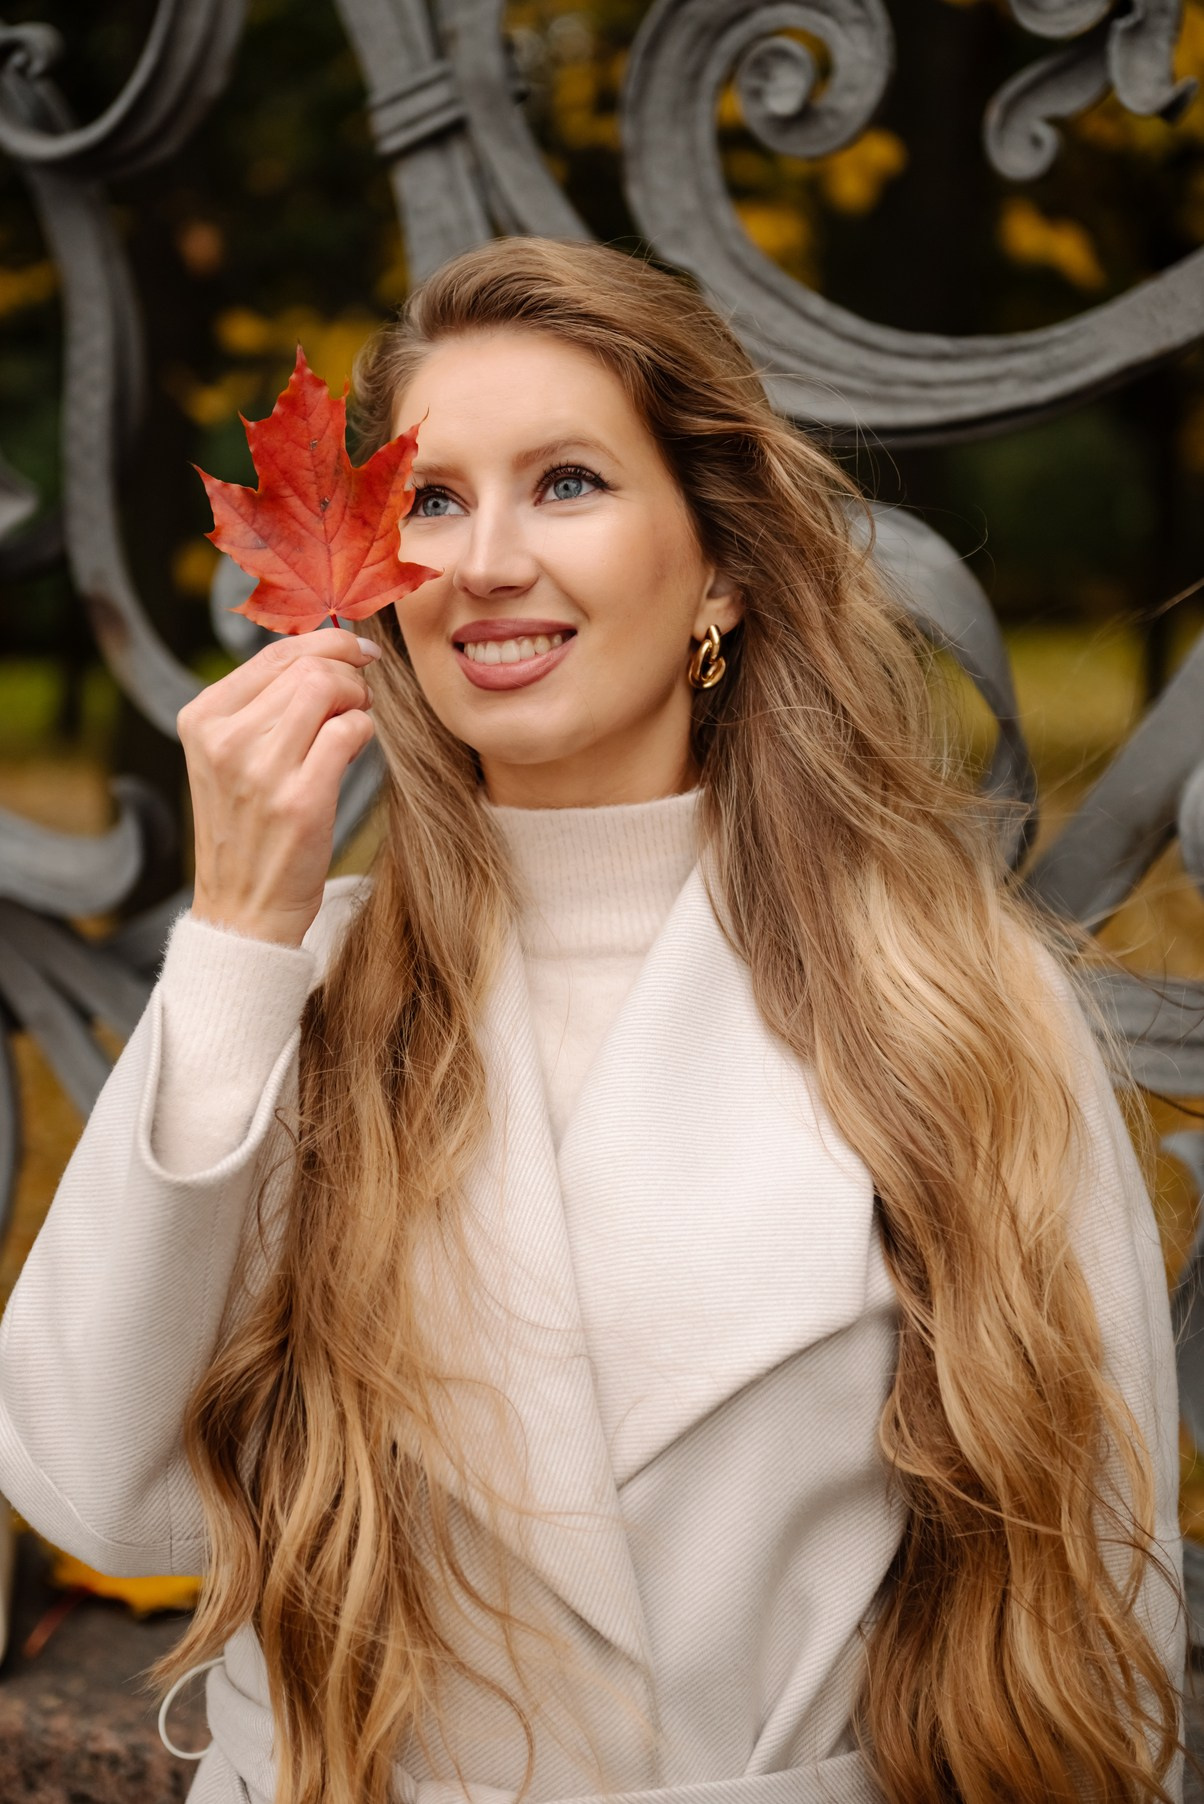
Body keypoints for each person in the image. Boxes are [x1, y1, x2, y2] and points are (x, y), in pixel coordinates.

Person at [0, 237, 1188, 1804]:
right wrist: (232, 938)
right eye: (434, 500)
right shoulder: (300, 981)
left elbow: (1097, 1603)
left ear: (720, 567)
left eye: (566, 483)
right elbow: (89, 1483)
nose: (487, 561)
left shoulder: (955, 998)